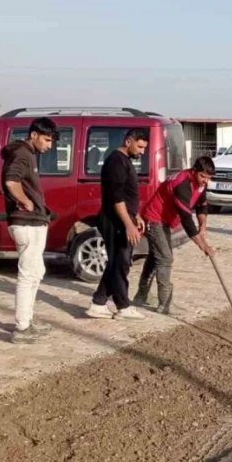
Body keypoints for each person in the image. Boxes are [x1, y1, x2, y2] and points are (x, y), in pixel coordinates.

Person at [133, 156, 216, 314]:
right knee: (165, 258)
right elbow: (187, 220)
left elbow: (202, 207)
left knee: (156, 255)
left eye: (209, 177)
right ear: (193, 172)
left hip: (166, 220)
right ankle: (165, 303)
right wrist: (203, 245)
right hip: (154, 218)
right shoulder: (182, 185)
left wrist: (203, 228)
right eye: (203, 176)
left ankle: (141, 295)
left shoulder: (200, 184)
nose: (205, 180)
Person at [2, 117, 58, 344]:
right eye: (46, 140)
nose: (49, 145)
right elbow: (11, 181)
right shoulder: (23, 154)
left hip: (33, 221)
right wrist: (26, 202)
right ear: (33, 135)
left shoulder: (27, 154)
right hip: (26, 222)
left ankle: (27, 320)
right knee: (28, 275)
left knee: (37, 272)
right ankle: (22, 327)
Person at [87, 128, 149, 321]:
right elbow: (116, 197)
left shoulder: (126, 161)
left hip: (125, 218)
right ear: (128, 141)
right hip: (114, 220)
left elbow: (128, 195)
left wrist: (136, 215)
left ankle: (98, 303)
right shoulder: (116, 161)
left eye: (144, 148)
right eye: (139, 147)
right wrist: (128, 224)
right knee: (120, 263)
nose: (142, 152)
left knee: (118, 262)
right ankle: (123, 306)